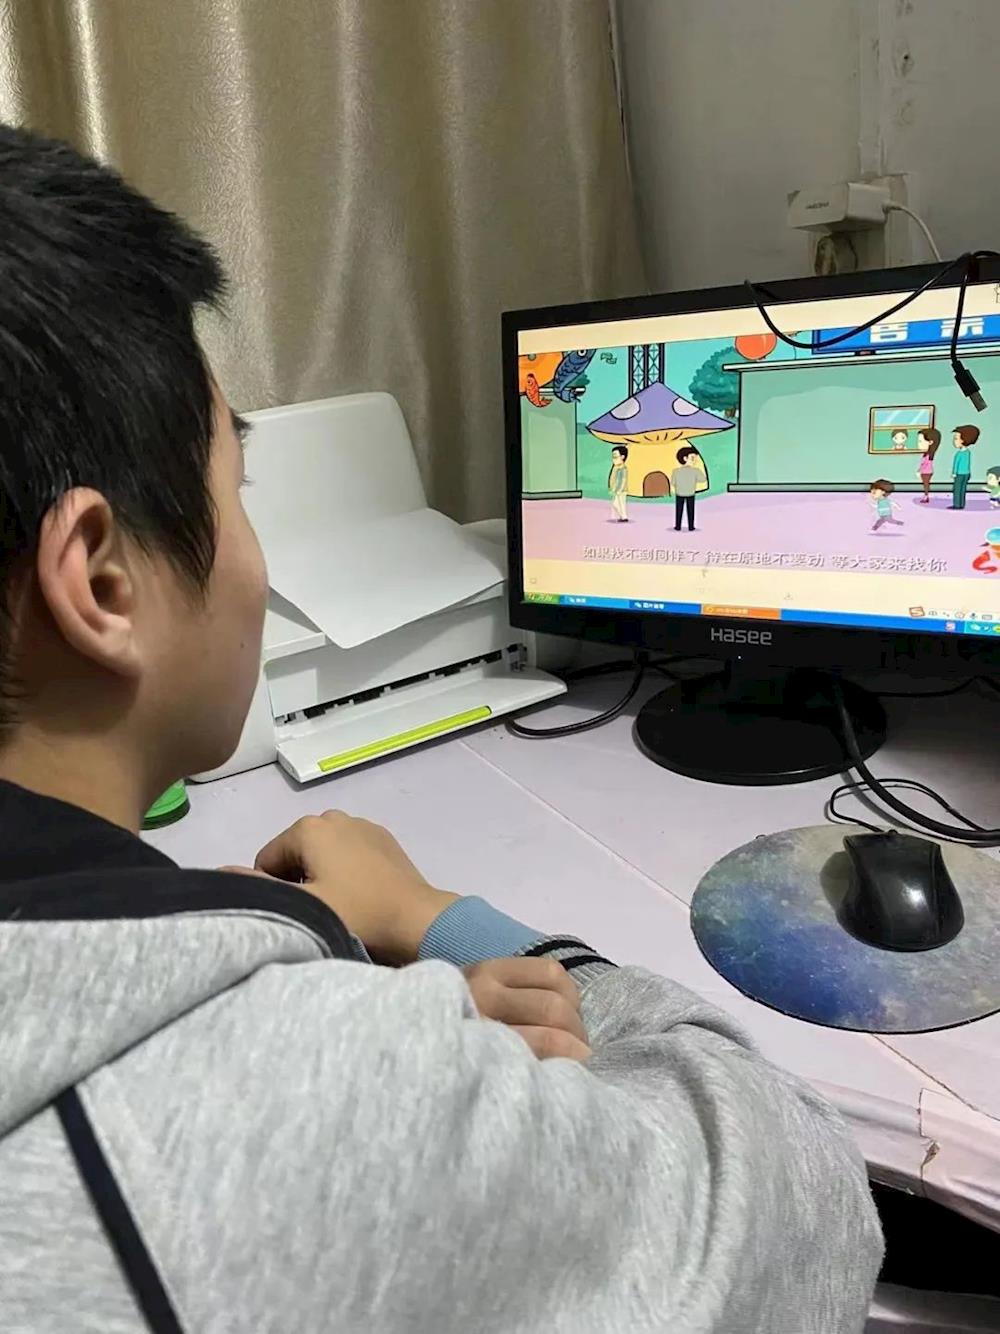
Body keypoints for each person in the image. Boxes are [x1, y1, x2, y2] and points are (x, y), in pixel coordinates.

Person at [0, 126, 882, 1332]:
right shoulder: (278, 1110)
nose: (256, 557)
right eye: (236, 495)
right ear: (102, 582)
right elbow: (805, 1200)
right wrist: (422, 921)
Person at [671, 445, 702, 531]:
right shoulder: (695, 471)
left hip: (680, 493)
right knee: (691, 510)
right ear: (685, 458)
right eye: (693, 458)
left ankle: (678, 526)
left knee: (679, 510)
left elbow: (673, 482)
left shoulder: (676, 471)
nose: (695, 461)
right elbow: (703, 479)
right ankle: (691, 527)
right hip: (690, 493)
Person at [951, 424, 980, 509]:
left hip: (959, 474)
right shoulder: (968, 452)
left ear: (963, 440)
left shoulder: (959, 454)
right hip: (966, 473)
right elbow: (967, 464)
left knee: (957, 489)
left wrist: (954, 473)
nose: (954, 441)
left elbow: (956, 464)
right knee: (963, 489)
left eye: (956, 438)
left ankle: (957, 505)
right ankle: (961, 504)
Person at [916, 426, 941, 503]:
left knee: (926, 484)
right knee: (925, 484)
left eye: (920, 441)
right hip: (926, 472)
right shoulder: (926, 454)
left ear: (930, 442)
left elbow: (925, 465)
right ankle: (926, 496)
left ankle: (926, 496)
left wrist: (920, 471)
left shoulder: (928, 456)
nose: (918, 444)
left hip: (926, 472)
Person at [608, 444, 629, 521]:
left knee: (620, 503)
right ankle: (623, 516)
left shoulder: (623, 468)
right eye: (613, 457)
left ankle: (624, 517)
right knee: (615, 503)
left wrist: (619, 489)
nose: (613, 459)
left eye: (615, 457)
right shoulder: (615, 468)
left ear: (622, 457)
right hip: (616, 490)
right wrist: (612, 488)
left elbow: (623, 480)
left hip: (621, 490)